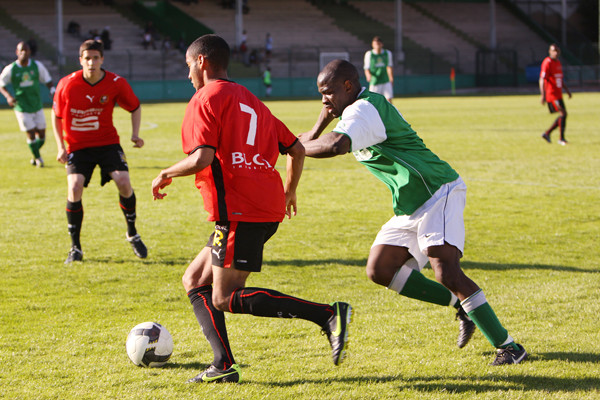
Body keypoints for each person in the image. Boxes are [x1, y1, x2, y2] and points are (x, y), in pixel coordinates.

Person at [299, 59, 528, 366]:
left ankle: (510, 347)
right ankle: (461, 307)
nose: (323, 100)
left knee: (445, 270)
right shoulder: (353, 107)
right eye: (320, 94)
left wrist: (294, 147)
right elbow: (311, 138)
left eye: (327, 92)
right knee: (380, 269)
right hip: (411, 203)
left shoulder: (364, 109)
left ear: (348, 87)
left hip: (437, 190)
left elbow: (336, 146)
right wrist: (314, 126)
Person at [151, 34, 352, 383]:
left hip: (241, 210)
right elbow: (296, 149)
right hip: (260, 206)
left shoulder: (205, 98)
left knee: (225, 296)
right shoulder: (251, 100)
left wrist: (166, 172)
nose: (188, 77)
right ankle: (222, 364)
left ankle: (328, 315)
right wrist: (289, 191)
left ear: (201, 62)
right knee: (194, 280)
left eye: (188, 67)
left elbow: (202, 157)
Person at [52, 40, 147, 264]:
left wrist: (135, 134)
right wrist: (60, 147)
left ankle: (132, 233)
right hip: (78, 146)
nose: (91, 62)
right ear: (80, 61)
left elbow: (134, 107)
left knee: (124, 181)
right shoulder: (67, 84)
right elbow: (57, 117)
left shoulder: (116, 82)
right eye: (87, 58)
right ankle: (75, 248)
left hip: (107, 144)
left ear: (102, 59)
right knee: (74, 187)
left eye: (95, 58)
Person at [0, 41, 55, 167]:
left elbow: (47, 80)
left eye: (26, 50)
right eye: (21, 50)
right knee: (30, 133)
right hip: (21, 107)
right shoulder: (11, 68)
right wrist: (8, 97)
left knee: (42, 136)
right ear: (17, 52)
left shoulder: (37, 66)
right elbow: (1, 84)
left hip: (37, 105)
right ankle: (39, 159)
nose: (24, 53)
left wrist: (52, 90)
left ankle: (34, 154)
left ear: (30, 52)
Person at [539, 43, 571, 145]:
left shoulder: (558, 63)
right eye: (554, 51)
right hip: (551, 94)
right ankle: (561, 138)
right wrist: (543, 95)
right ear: (550, 51)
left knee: (564, 115)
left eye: (557, 51)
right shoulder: (547, 62)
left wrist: (567, 91)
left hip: (558, 94)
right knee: (563, 114)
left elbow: (560, 79)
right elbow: (542, 79)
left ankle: (547, 133)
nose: (556, 53)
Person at [363, 36, 394, 103]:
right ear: (372, 45)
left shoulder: (387, 53)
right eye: (375, 44)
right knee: (373, 100)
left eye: (378, 44)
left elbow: (389, 66)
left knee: (388, 99)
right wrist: (368, 75)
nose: (377, 46)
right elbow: (366, 68)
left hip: (385, 80)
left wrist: (391, 78)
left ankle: (389, 113)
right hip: (375, 81)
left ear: (381, 44)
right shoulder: (369, 54)